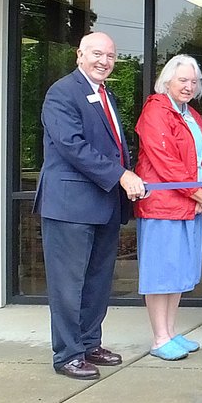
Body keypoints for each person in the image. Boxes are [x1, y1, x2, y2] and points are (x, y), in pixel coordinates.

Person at [34, 32, 146, 380]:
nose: (104, 61)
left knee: (97, 282)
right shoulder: (62, 92)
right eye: (97, 53)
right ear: (80, 55)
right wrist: (121, 176)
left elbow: (112, 145)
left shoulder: (105, 94)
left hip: (103, 205)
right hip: (69, 206)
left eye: (110, 56)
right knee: (69, 285)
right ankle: (67, 354)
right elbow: (72, 145)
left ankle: (88, 342)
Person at [134, 54, 202, 361]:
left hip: (188, 206)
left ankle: (170, 331)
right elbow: (164, 162)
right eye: (182, 80)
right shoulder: (155, 110)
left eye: (193, 81)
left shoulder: (192, 115)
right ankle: (159, 338)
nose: (188, 86)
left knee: (179, 273)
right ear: (167, 80)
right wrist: (199, 194)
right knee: (160, 274)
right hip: (162, 207)